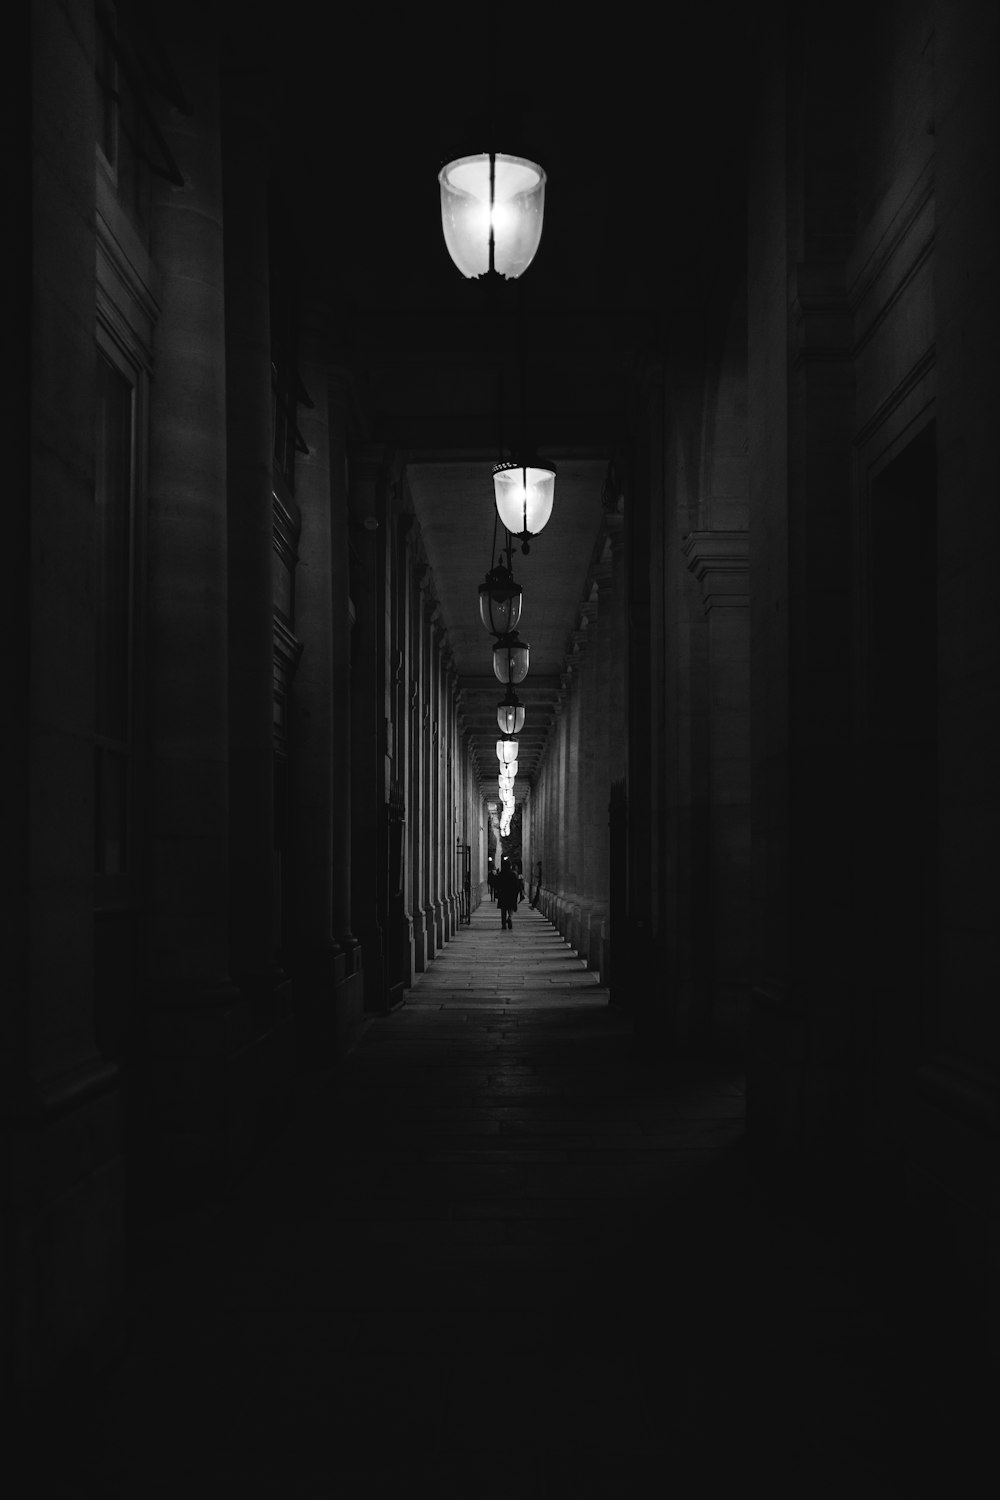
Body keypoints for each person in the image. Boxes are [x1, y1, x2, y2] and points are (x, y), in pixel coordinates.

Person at [494, 857, 521, 930]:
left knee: (503, 910)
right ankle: (510, 917)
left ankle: (503, 924)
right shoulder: (513, 874)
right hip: (511, 894)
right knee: (511, 908)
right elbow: (516, 885)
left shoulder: (500, 874)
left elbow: (497, 884)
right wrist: (517, 894)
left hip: (503, 894)